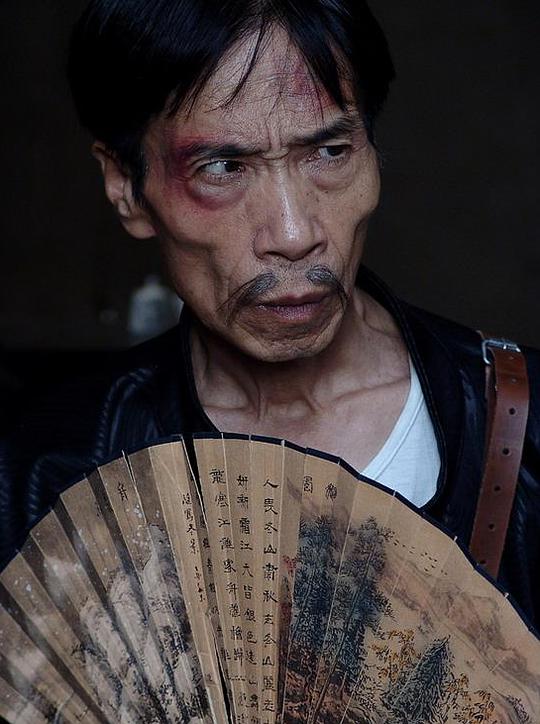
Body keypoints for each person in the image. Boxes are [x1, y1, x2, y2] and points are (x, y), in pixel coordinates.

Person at [0, 0, 539, 633]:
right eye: (223, 167)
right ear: (126, 186)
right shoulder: (51, 469)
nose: (293, 233)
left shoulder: (523, 428)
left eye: (329, 151)